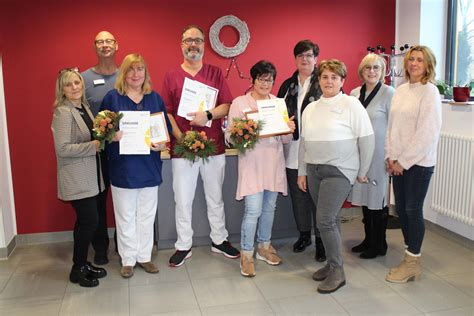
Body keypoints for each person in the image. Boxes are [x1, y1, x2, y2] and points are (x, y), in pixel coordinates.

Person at [162, 24, 240, 267]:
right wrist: (180, 137)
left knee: (215, 197)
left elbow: (227, 105)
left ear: (204, 45)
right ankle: (183, 245)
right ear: (181, 45)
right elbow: (168, 113)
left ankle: (219, 240)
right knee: (182, 199)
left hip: (213, 146)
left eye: (197, 40)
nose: (192, 44)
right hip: (182, 149)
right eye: (188, 40)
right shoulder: (171, 75)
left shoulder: (216, 73)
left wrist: (207, 115)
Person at [297, 59, 374, 294]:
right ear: (318, 80)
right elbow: (304, 142)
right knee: (329, 220)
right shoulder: (310, 108)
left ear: (342, 80)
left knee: (324, 220)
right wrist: (302, 171)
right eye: (324, 77)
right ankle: (331, 265)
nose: (328, 81)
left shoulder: (351, 104)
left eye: (334, 77)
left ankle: (338, 272)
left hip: (340, 170)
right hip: (315, 170)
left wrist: (363, 170)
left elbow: (367, 138)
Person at [101, 54, 171, 278]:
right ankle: (128, 259)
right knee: (125, 216)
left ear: (145, 73)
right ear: (124, 73)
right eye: (131, 70)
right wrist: (111, 135)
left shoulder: (155, 98)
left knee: (146, 215)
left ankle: (144, 257)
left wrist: (161, 142)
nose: (135, 74)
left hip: (149, 166)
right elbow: (100, 131)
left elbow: (163, 131)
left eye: (140, 69)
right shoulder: (112, 98)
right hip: (123, 168)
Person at [226, 61, 295, 277]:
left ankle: (264, 247)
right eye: (262, 79)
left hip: (273, 164)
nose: (266, 83)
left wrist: (289, 129)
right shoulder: (240, 103)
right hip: (252, 165)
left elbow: (285, 140)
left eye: (270, 79)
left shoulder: (278, 103)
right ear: (253, 79)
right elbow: (229, 136)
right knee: (253, 210)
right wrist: (243, 133)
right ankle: (247, 254)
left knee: (269, 209)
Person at [385, 45, 441, 283]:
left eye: (419, 60)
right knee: (402, 210)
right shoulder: (400, 89)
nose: (414, 64)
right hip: (397, 162)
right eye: (411, 60)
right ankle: (411, 255)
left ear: (428, 65)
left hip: (418, 163)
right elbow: (392, 127)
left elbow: (427, 133)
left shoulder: (430, 92)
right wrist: (390, 156)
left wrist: (404, 162)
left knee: (412, 210)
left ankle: (412, 262)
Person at [51, 68, 107, 287]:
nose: (74, 87)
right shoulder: (62, 112)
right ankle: (77, 270)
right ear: (62, 90)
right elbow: (62, 149)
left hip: (90, 176)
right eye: (69, 84)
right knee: (90, 221)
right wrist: (92, 146)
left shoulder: (83, 107)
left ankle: (82, 263)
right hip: (75, 177)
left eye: (77, 83)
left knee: (85, 222)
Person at [277, 40, 325, 261]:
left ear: (316, 58)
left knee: (318, 197)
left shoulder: (326, 81)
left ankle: (323, 241)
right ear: (295, 59)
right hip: (293, 149)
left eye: (308, 55)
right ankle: (304, 235)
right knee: (299, 197)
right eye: (300, 56)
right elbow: (276, 114)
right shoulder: (287, 85)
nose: (304, 59)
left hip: (318, 151)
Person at [348, 54, 394, 259]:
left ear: (383, 71)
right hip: (359, 154)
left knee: (377, 199)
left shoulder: (388, 93)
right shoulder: (354, 93)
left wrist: (392, 155)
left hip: (378, 155)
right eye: (368, 67)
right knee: (365, 198)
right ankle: (368, 240)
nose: (372, 71)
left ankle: (379, 243)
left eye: (376, 67)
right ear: (361, 70)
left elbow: (394, 126)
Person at [81, 30, 119, 265]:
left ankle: (126, 246)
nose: (104, 45)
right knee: (98, 200)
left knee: (127, 197)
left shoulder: (127, 75)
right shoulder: (83, 79)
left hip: (125, 147)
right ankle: (101, 248)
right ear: (95, 46)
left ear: (117, 45)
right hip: (98, 149)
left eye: (109, 41)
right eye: (100, 41)